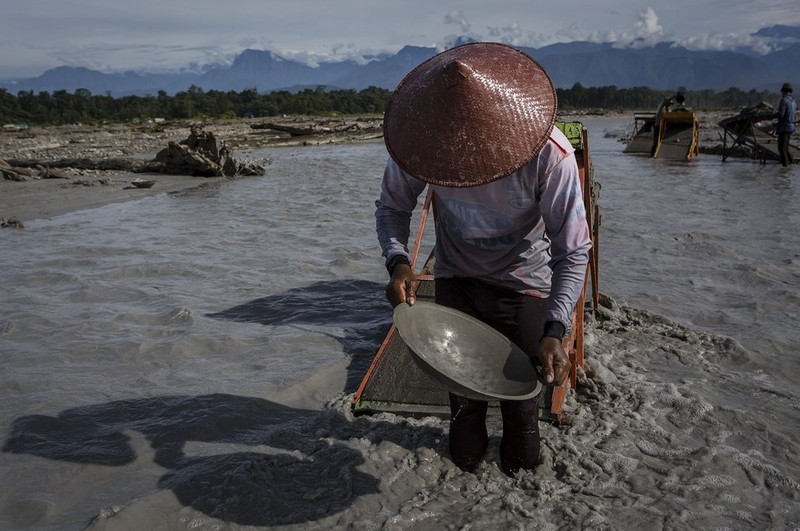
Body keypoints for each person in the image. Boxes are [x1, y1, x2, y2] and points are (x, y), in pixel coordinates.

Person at [374, 42, 591, 476]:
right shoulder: (423, 146)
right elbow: (392, 208)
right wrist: (398, 261)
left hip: (524, 285)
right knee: (464, 406)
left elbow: (573, 249)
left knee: (522, 413)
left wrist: (555, 328)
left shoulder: (550, 153)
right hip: (457, 280)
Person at [774, 82, 796, 167]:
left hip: (784, 128)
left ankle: (785, 168)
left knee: (781, 149)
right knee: (786, 149)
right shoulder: (793, 101)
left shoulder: (784, 100)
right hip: (791, 127)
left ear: (783, 91)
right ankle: (792, 166)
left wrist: (771, 116)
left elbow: (781, 115)